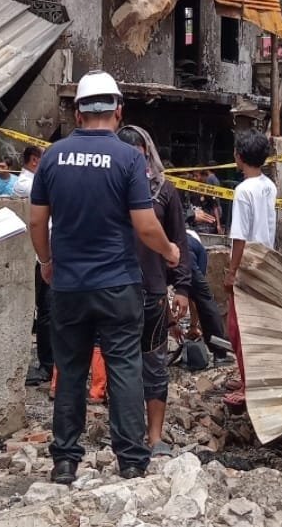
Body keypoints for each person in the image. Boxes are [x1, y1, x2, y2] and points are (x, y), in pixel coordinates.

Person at [28, 70, 180, 485]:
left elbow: (37, 221)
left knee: (71, 368)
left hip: (70, 285)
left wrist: (46, 261)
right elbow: (146, 225)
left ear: (78, 113)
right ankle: (131, 459)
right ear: (118, 111)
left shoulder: (53, 156)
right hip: (118, 285)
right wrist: (169, 251)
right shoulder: (129, 158)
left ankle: (64, 461)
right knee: (124, 367)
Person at [117, 125, 191, 458]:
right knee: (122, 364)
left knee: (155, 363)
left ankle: (154, 436)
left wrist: (183, 288)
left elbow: (179, 241)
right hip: (116, 290)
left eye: (139, 155)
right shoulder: (110, 189)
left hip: (153, 291)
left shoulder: (163, 191)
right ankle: (126, 434)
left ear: (147, 153)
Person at [223, 130, 277, 408]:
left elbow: (240, 237)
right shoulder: (268, 186)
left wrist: (232, 272)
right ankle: (250, 377)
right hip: (266, 261)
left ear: (239, 157)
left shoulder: (243, 190)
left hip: (247, 266)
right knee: (256, 326)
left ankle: (249, 385)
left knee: (238, 328)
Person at [19, 144, 53, 387]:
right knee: (47, 312)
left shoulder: (35, 183)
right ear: (34, 161)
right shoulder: (27, 184)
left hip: (47, 254)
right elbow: (38, 221)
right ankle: (47, 364)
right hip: (42, 256)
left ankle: (49, 364)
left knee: (49, 311)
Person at [186, 230, 234, 365]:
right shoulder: (198, 249)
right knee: (206, 302)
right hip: (184, 255)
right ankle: (220, 354)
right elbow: (197, 295)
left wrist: (174, 323)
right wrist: (194, 326)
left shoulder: (175, 234)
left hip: (164, 251)